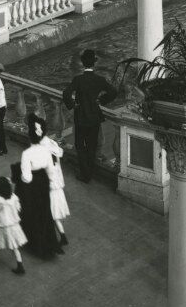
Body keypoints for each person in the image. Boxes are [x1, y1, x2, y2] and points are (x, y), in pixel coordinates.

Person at [61, 49, 118, 183]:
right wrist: (101, 100)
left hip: (80, 116)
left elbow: (66, 93)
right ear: (94, 64)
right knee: (92, 146)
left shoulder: (78, 79)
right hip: (94, 117)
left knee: (80, 146)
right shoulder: (99, 80)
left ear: (82, 64)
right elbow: (113, 92)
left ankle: (84, 174)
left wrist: (72, 105)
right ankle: (89, 174)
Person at [14, 117, 60, 259]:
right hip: (43, 182)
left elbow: (26, 177)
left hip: (32, 185)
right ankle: (48, 244)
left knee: (32, 212)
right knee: (44, 212)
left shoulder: (26, 154)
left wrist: (19, 175)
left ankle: (34, 243)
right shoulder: (46, 151)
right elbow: (51, 172)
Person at [40, 122, 70, 248]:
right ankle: (62, 236)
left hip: (50, 188)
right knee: (54, 215)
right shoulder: (52, 145)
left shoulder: (43, 150)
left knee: (51, 214)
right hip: (56, 186)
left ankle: (60, 237)